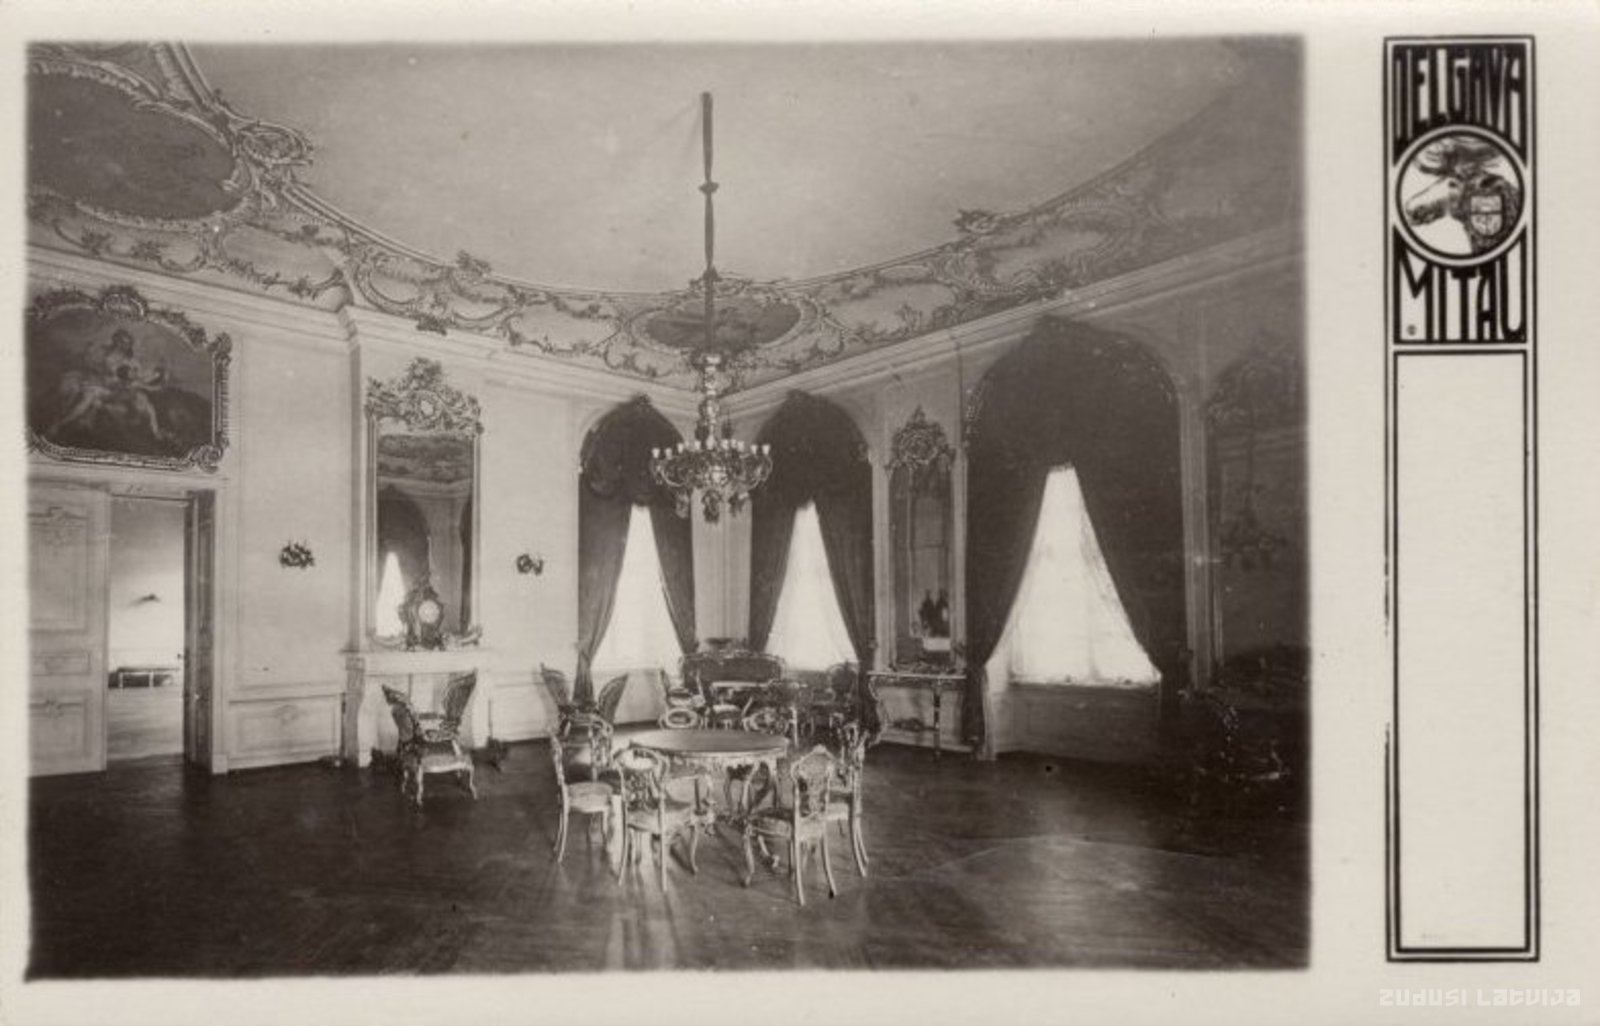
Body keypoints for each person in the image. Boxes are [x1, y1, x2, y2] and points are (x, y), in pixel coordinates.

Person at [47, 327, 169, 443]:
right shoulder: (108, 356)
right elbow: (100, 370)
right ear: (116, 341)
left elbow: (138, 378)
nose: (123, 345)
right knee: (87, 398)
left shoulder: (132, 361)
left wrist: (154, 377)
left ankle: (156, 432)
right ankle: (61, 423)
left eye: (126, 343)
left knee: (147, 405)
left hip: (121, 389)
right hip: (107, 386)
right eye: (121, 341)